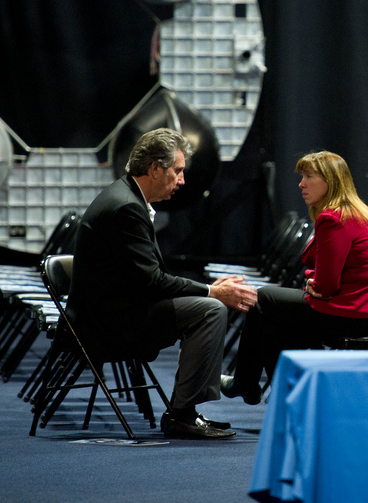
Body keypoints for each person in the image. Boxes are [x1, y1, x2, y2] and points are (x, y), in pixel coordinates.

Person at [65, 128, 257, 439]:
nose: (182, 181)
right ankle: (182, 415)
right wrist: (213, 291)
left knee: (207, 307)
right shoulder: (126, 207)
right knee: (210, 310)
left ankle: (185, 411)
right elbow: (153, 282)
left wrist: (210, 291)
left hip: (110, 312)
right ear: (155, 168)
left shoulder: (125, 196)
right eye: (178, 171)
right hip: (107, 325)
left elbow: (147, 280)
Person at [221, 151, 368, 404]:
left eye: (309, 177)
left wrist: (314, 282)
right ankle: (277, 397)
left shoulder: (334, 219)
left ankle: (250, 385)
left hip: (351, 313)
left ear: (330, 182)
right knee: (271, 327)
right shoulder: (357, 213)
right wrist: (315, 279)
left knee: (263, 298)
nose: (301, 184)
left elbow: (327, 285)